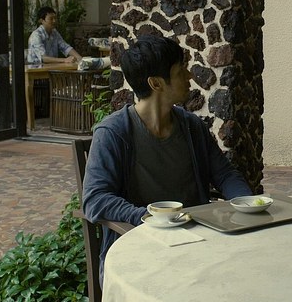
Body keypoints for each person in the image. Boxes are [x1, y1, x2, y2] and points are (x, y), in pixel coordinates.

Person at [82, 35, 253, 281]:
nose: (189, 75)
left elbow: (225, 174)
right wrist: (148, 218)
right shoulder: (113, 133)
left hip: (196, 243)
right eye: (180, 70)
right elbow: (95, 199)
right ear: (156, 83)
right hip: (136, 250)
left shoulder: (192, 127)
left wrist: (248, 204)